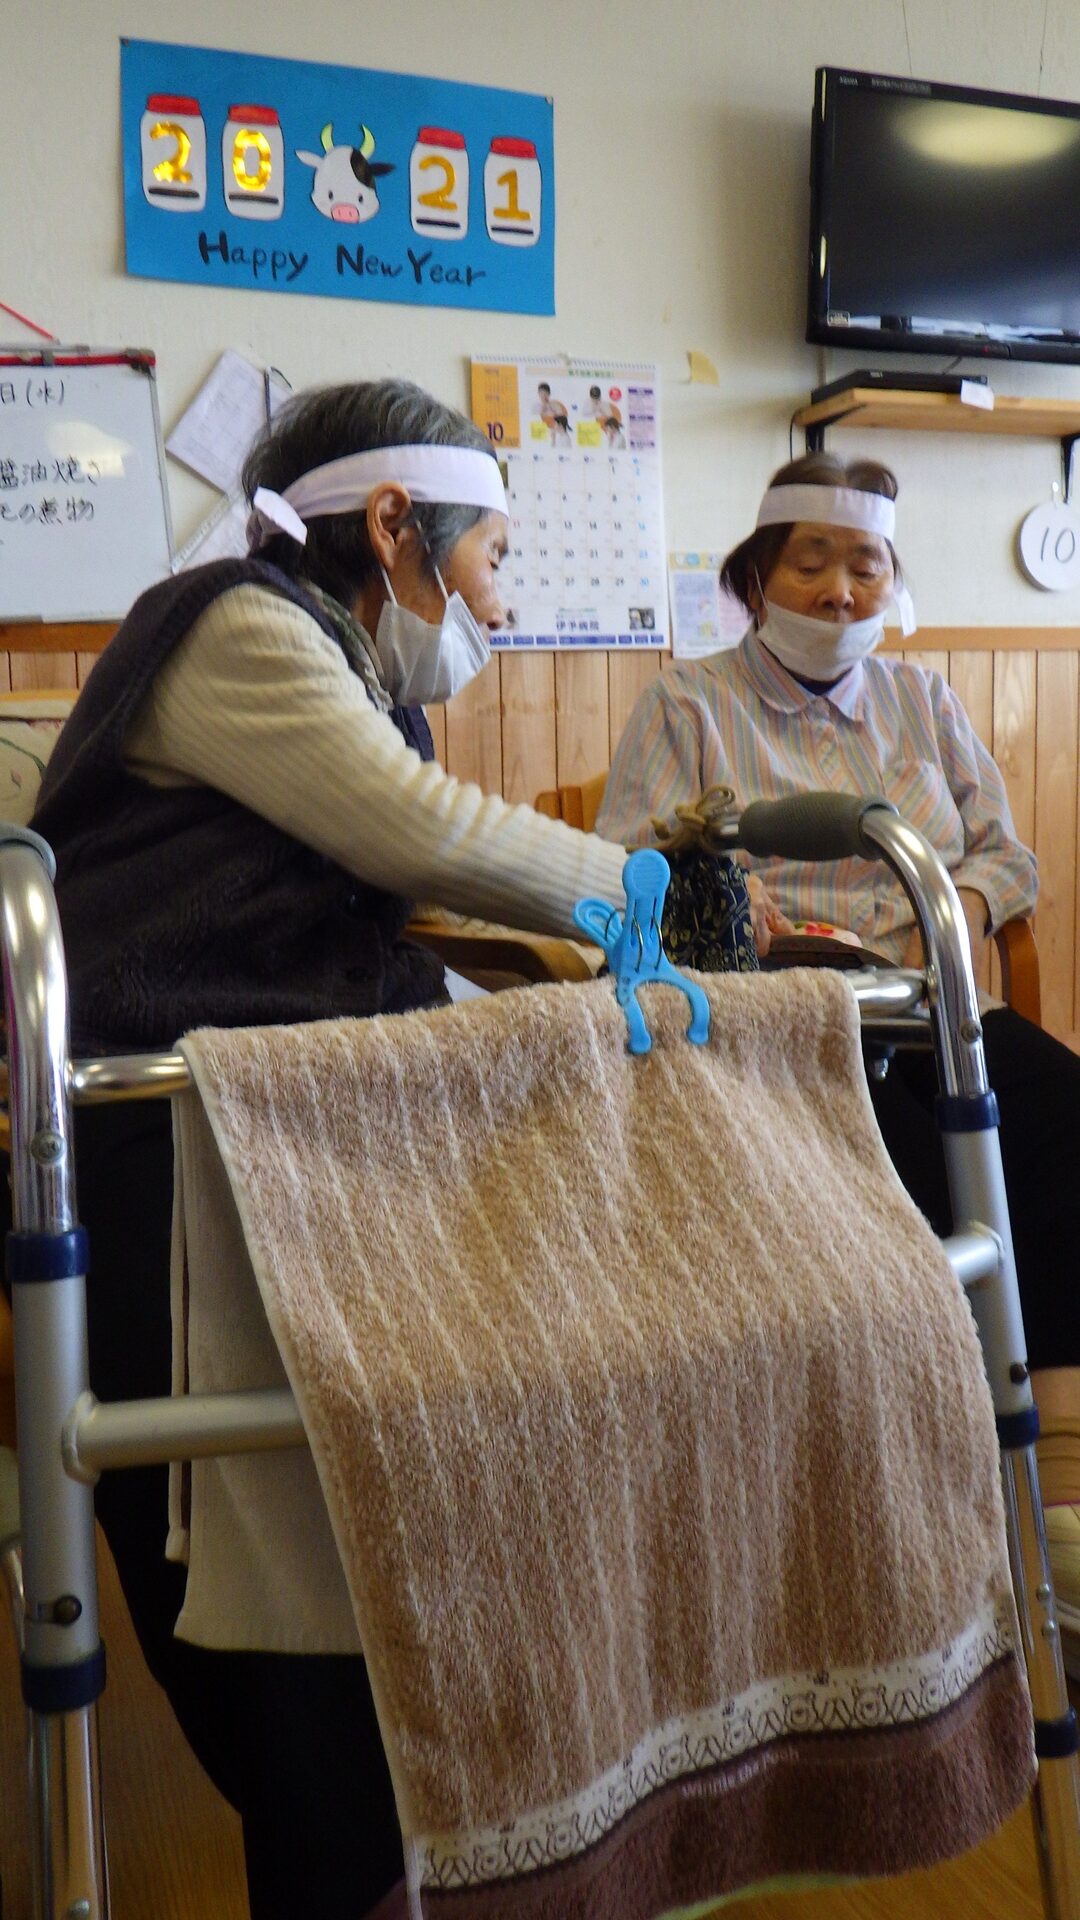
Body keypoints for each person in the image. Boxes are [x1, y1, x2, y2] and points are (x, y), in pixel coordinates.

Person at [16, 379, 632, 1920]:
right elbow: (415, 831)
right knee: (276, 1615)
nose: (500, 603)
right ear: (394, 525)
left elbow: (389, 887)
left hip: (284, 1106)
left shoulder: (351, 669)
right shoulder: (235, 628)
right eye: (491, 559)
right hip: (167, 1136)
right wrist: (654, 904)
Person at [598, 451, 1080, 1395]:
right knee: (905, 1167)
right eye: (810, 562)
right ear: (756, 578)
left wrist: (957, 912)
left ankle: (1035, 1403)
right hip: (778, 1016)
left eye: (867, 566)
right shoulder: (685, 703)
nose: (840, 592)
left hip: (932, 997)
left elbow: (1005, 855)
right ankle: (925, 1405)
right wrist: (722, 898)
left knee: (1061, 1123)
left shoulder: (924, 701)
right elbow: (630, 863)